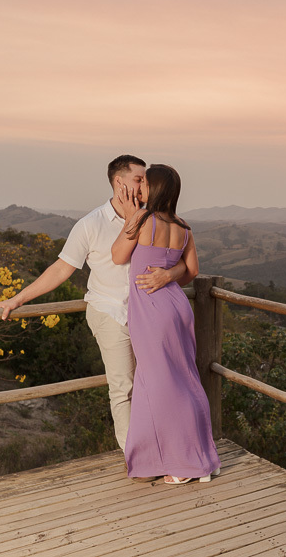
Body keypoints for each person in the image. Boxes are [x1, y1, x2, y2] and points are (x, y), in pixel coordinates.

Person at [0, 155, 190, 453]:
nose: (143, 186)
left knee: (152, 385)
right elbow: (61, 269)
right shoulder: (91, 224)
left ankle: (161, 451)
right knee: (124, 388)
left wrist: (169, 274)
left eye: (146, 181)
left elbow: (180, 264)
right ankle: (135, 456)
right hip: (112, 312)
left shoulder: (154, 219)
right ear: (119, 182)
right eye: (139, 180)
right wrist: (18, 299)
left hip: (149, 317)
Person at [111, 164, 220, 484]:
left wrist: (132, 215)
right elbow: (192, 271)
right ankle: (195, 457)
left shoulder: (145, 219)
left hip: (151, 311)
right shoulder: (183, 226)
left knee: (163, 385)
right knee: (182, 378)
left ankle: (187, 464)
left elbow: (118, 255)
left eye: (144, 182)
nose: (139, 186)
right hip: (176, 306)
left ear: (155, 189)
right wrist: (168, 274)